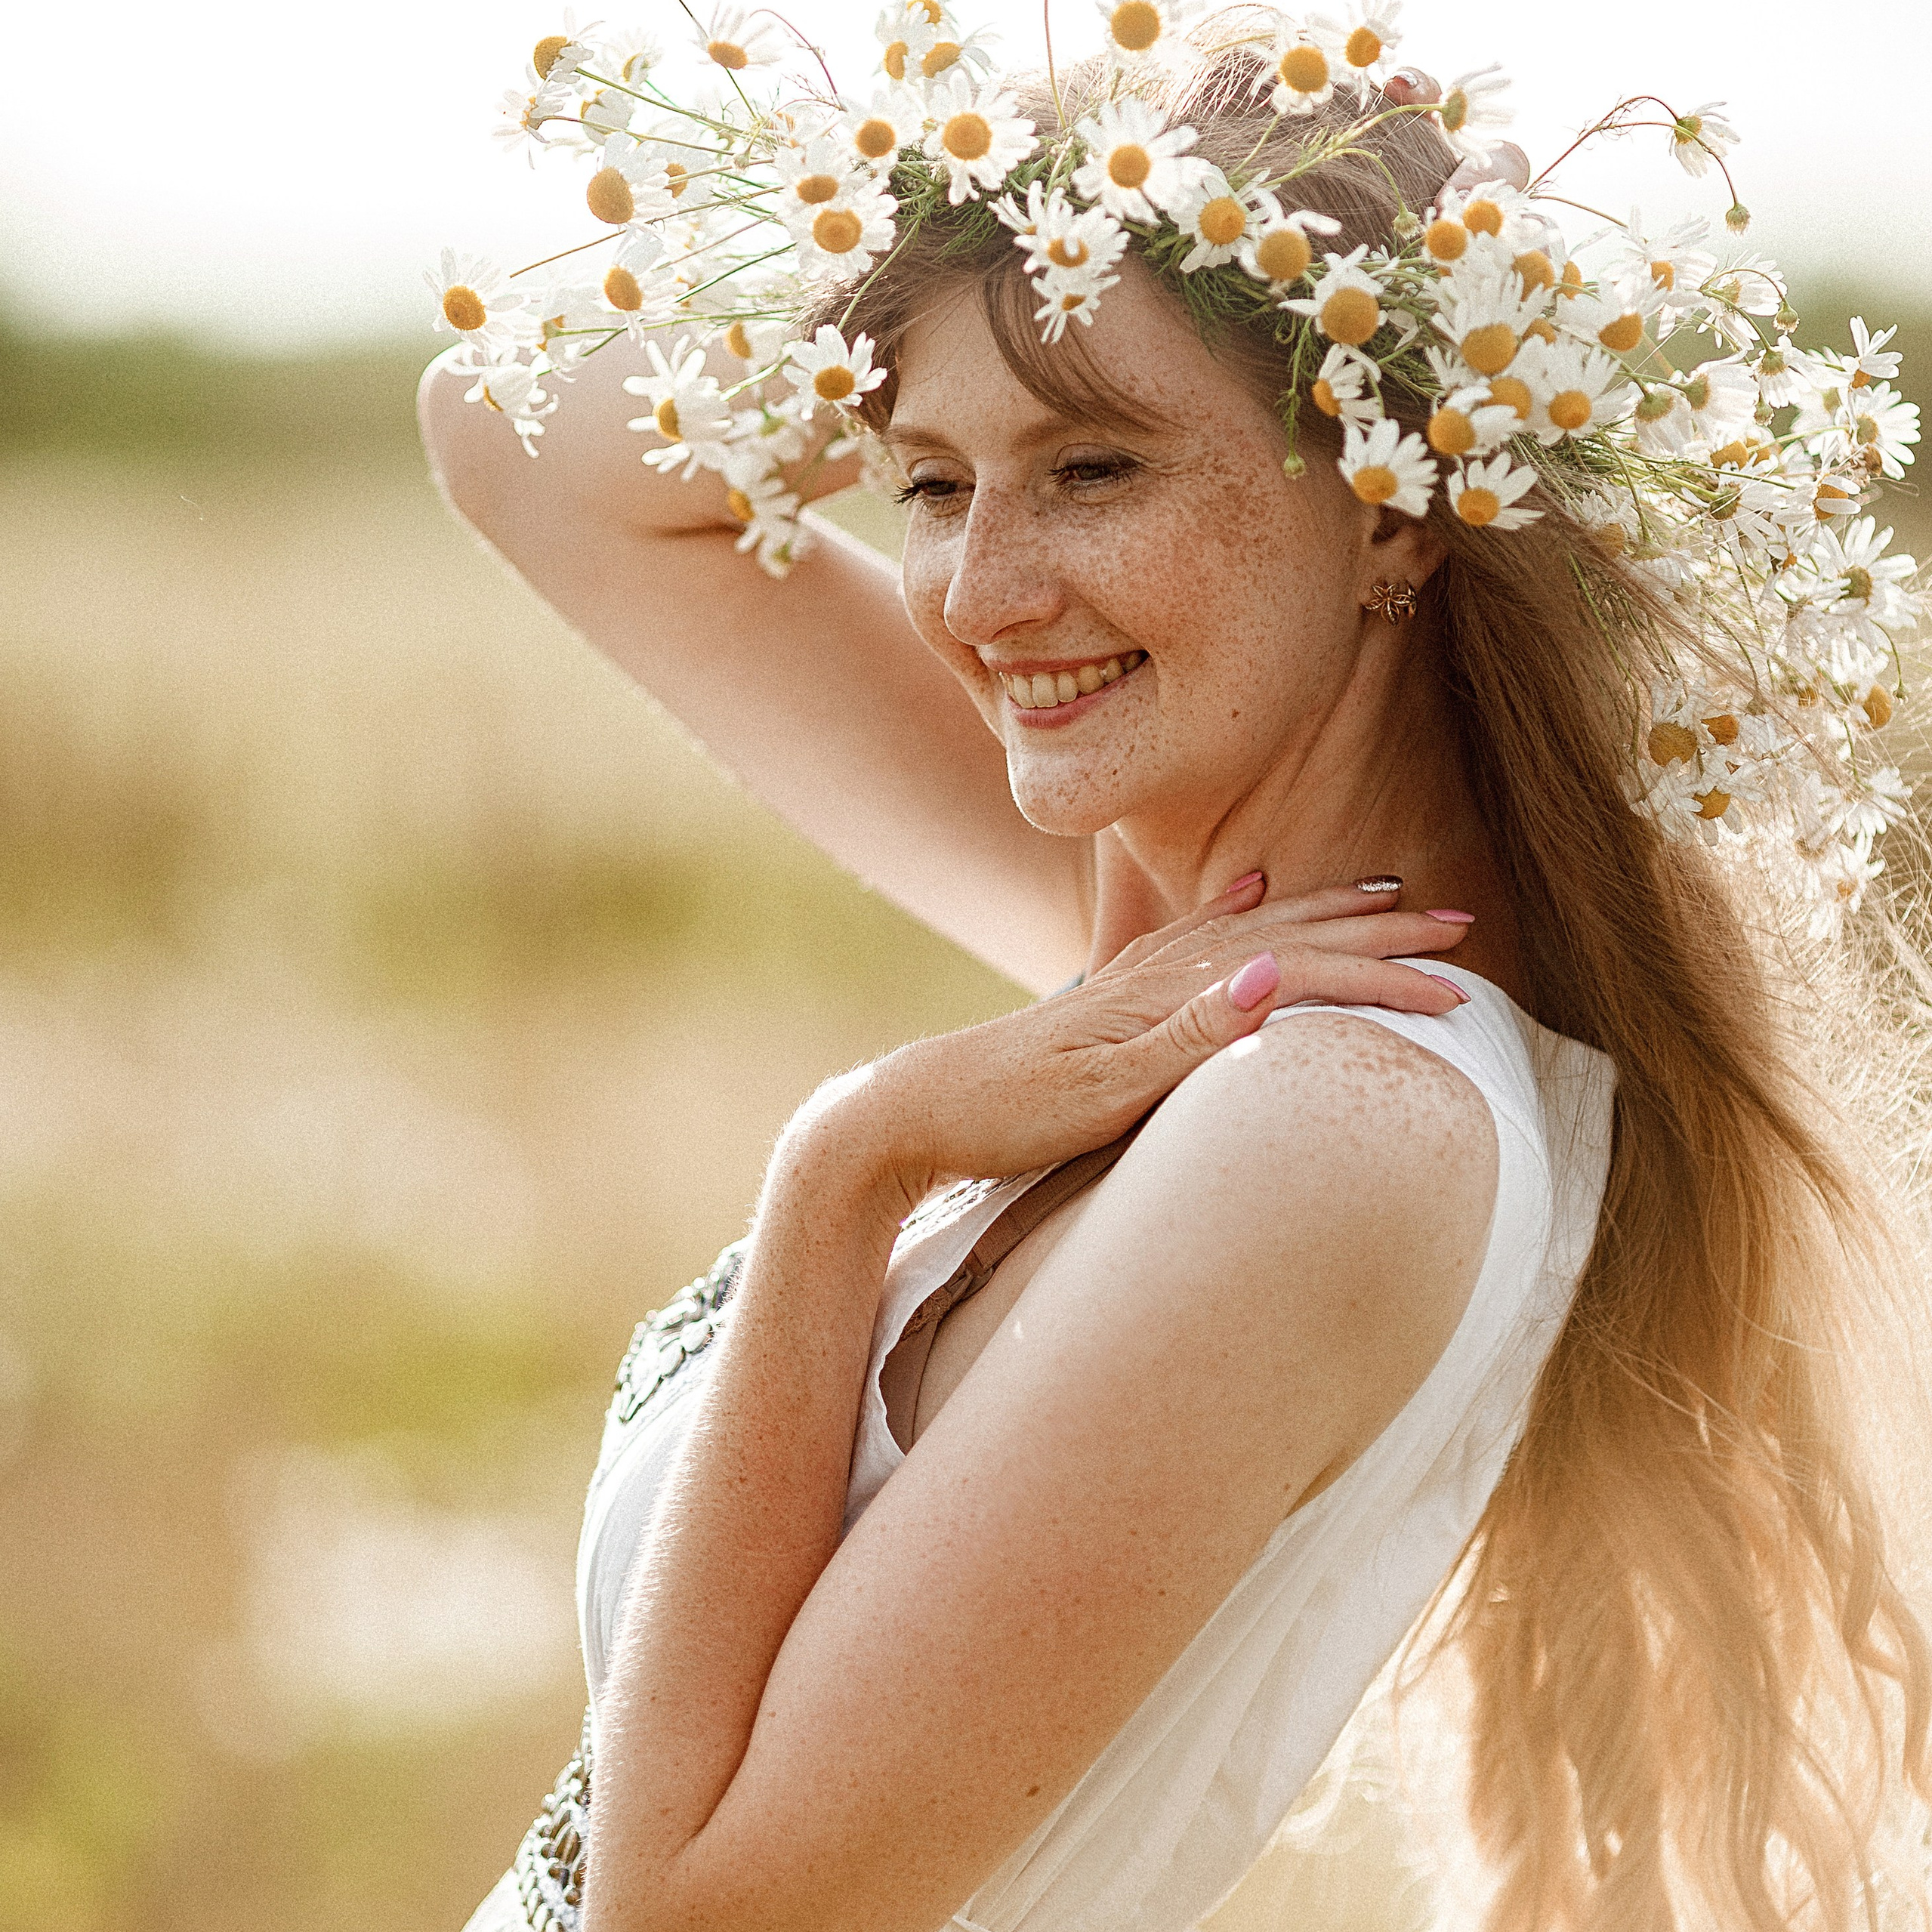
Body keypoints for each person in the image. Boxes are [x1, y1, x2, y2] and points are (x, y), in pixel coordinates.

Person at [420, 23, 1931, 1932]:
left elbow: (694, 1914)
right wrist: (995, 228)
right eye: (930, 483)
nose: (975, 597)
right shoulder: (1168, 958)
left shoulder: (1338, 1115)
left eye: (1096, 467)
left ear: (1391, 505)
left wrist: (849, 1164)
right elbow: (517, 444)